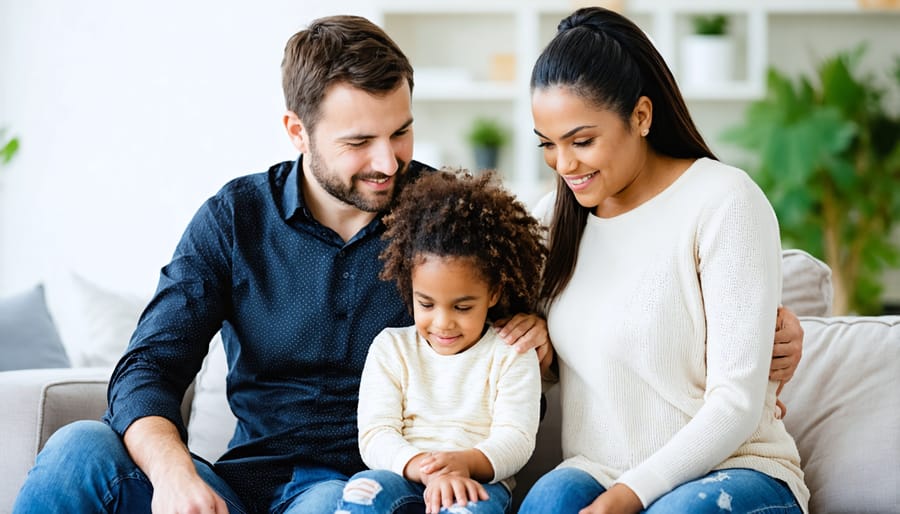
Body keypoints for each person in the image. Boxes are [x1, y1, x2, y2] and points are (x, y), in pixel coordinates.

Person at [12, 11, 802, 514]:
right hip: (237, 481)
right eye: (358, 142)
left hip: (360, 486)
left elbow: (591, 304)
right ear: (297, 131)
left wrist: (776, 327)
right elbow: (149, 365)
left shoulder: (454, 222)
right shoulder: (235, 219)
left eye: (402, 131)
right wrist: (176, 476)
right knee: (78, 451)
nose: (388, 162)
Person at [518, 7, 810, 514]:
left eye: (582, 141)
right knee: (548, 501)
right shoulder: (554, 220)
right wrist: (532, 342)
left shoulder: (723, 200)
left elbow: (737, 405)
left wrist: (628, 498)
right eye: (549, 145)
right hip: (598, 469)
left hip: (735, 469)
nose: (564, 165)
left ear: (642, 116)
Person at [333, 169, 546, 514]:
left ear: (493, 293)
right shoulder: (391, 349)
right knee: (362, 493)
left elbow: (517, 439)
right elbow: (376, 433)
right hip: (404, 472)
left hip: (478, 481)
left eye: (463, 307)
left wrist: (463, 465)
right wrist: (424, 468)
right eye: (426, 304)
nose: (443, 322)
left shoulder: (510, 353)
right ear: (409, 289)